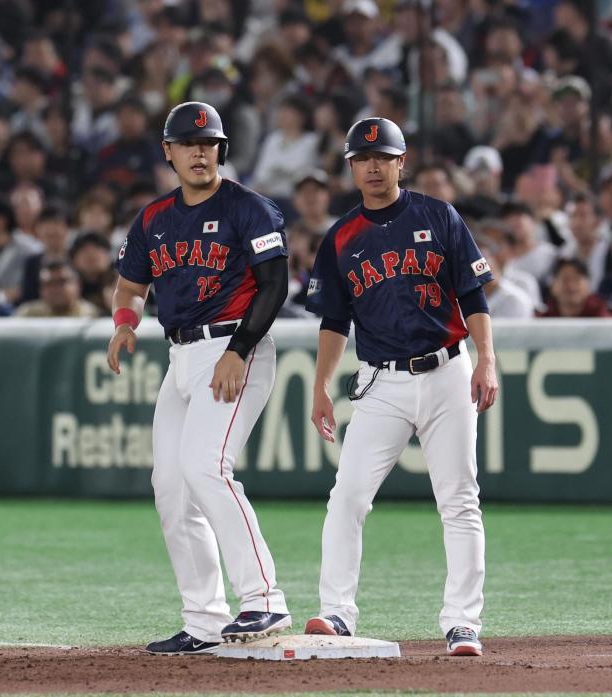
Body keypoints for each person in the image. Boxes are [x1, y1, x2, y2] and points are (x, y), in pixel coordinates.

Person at [305, 117, 498, 657]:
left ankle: (462, 623)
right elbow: (332, 322)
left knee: (459, 500)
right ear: (350, 166)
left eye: (381, 157)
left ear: (400, 161)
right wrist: (321, 386)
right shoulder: (341, 237)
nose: (371, 166)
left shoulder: (438, 215)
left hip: (447, 372)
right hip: (381, 382)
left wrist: (486, 359)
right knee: (347, 496)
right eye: (362, 158)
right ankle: (337, 612)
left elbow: (473, 296)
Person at [108, 102, 292, 655]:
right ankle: (204, 619)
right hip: (181, 356)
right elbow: (130, 285)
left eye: (207, 143)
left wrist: (239, 350)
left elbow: (275, 284)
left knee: (206, 466)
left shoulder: (248, 208)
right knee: (170, 485)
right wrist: (123, 325)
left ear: (221, 149)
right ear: (168, 151)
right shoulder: (153, 218)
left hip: (237, 345)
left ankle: (264, 599)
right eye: (187, 144)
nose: (198, 151)